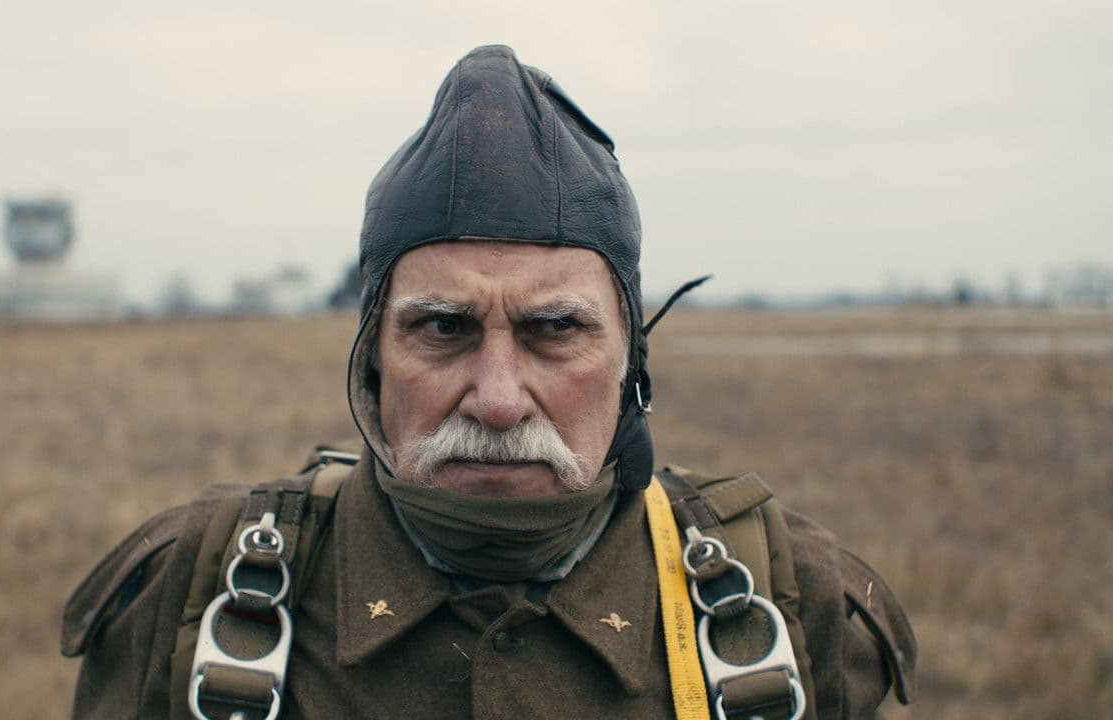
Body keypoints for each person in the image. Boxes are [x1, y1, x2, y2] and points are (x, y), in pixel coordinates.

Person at [63, 45, 916, 719]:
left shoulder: (789, 605)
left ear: (632, 361)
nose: (499, 400)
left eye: (556, 330)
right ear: (371, 361)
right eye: (443, 328)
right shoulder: (190, 596)